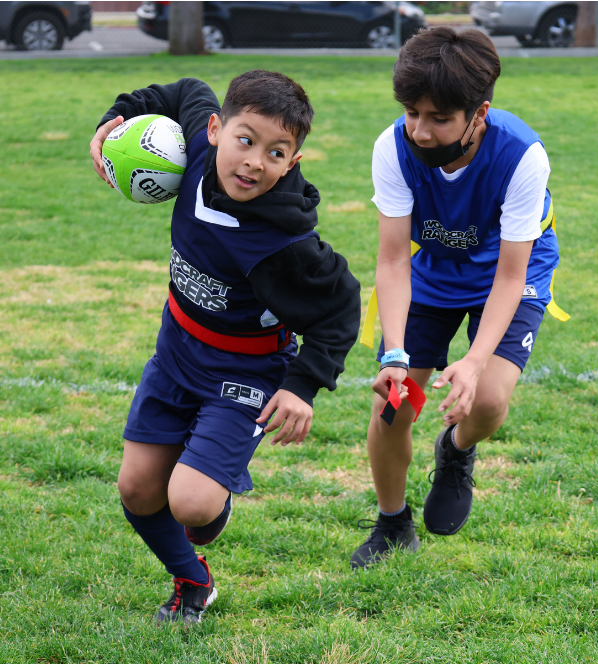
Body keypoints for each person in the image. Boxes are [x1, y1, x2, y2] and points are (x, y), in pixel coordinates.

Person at [90, 71, 360, 621]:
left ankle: (212, 494)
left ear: (293, 162)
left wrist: (303, 386)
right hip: (176, 352)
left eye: (275, 152)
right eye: (246, 140)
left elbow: (341, 305)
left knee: (192, 506)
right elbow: (184, 90)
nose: (254, 161)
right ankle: (193, 581)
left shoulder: (283, 241)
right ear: (215, 129)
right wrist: (114, 120)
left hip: (247, 371)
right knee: (137, 490)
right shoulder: (195, 151)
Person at [351, 27, 568, 569]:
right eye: (411, 113)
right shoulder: (392, 146)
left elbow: (511, 276)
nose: (421, 131)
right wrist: (395, 355)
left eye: (439, 118)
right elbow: (393, 260)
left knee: (488, 400)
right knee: (392, 405)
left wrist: (473, 362)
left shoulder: (521, 155)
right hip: (433, 270)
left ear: (479, 114)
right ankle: (392, 523)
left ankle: (455, 449)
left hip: (508, 272)